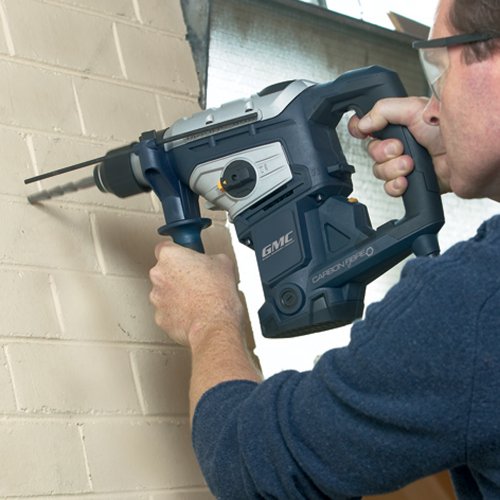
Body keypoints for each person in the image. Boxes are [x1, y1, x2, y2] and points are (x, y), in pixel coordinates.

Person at [149, 0, 500, 497]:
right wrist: (470, 152)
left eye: (441, 69)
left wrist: (208, 319)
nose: (432, 107)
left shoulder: (476, 302)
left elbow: (257, 469)